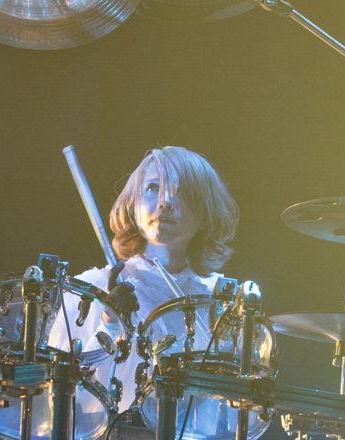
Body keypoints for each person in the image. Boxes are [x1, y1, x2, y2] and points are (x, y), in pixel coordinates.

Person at [51, 145, 245, 437]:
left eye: (182, 192)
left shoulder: (223, 301)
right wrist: (109, 322)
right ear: (133, 205)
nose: (165, 202)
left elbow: (234, 417)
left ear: (205, 214)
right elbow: (63, 402)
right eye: (153, 188)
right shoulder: (91, 289)